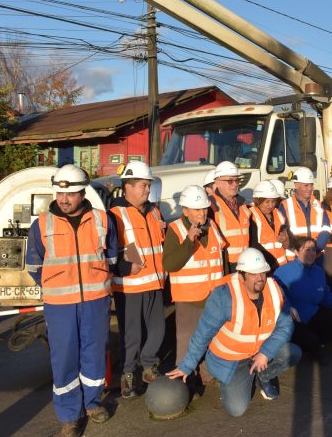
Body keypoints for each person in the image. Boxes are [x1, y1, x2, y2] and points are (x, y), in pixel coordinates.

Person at [25, 165, 116, 437]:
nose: (64, 200)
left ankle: (92, 404)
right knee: (63, 358)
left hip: (95, 301)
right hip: (60, 305)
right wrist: (56, 286)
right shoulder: (41, 224)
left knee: (94, 354)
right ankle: (69, 415)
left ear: (82, 192)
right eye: (60, 194)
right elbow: (34, 266)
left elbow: (111, 258)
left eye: (71, 194)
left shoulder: (103, 219)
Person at [166, 248, 301, 416]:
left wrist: (265, 353)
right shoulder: (224, 297)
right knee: (237, 410)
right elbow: (203, 333)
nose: (260, 278)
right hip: (232, 361)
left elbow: (286, 325)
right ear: (241, 274)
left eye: (262, 272)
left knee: (293, 353)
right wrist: (187, 366)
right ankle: (238, 378)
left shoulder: (273, 290)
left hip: (259, 351)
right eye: (253, 273)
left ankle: (263, 375)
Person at [109, 160, 167, 398]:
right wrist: (125, 267)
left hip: (154, 281)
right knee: (131, 334)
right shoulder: (114, 215)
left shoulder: (154, 210)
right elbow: (110, 251)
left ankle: (149, 367)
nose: (147, 189)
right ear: (128, 186)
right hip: (130, 285)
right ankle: (128, 373)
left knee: (157, 329)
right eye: (143, 185)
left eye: (148, 185)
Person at [163, 185, 227, 384]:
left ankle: (208, 374)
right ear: (185, 211)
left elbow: (221, 259)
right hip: (189, 298)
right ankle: (184, 380)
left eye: (204, 208)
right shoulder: (176, 229)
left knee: (212, 338)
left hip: (213, 295)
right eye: (197, 209)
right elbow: (170, 264)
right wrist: (189, 240)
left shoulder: (213, 226)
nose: (202, 213)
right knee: (187, 340)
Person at [273, 236, 332, 357]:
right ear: (297, 252)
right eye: (306, 250)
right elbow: (274, 295)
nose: (311, 253)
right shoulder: (282, 272)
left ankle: (316, 342)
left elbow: (326, 297)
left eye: (313, 250)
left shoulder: (319, 272)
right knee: (313, 346)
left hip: (312, 314)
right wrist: (288, 307)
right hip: (293, 319)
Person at [210, 161, 251, 272]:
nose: (235, 184)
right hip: (226, 265)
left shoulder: (243, 205)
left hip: (246, 264)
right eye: (230, 181)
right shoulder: (210, 207)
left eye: (237, 180)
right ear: (217, 182)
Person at [279, 167, 331, 255]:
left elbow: (326, 227)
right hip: (295, 257)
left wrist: (316, 249)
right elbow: (283, 231)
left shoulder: (318, 204)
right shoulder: (285, 206)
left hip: (317, 257)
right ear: (296, 185)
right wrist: (300, 250)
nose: (310, 188)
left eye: (311, 185)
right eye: (306, 185)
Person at [248, 181, 290, 271]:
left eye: (273, 201)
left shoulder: (279, 215)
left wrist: (286, 241)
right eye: (267, 202)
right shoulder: (251, 216)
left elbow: (286, 243)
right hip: (264, 267)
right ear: (258, 201)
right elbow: (253, 245)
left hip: (282, 267)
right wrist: (271, 262)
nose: (271, 205)